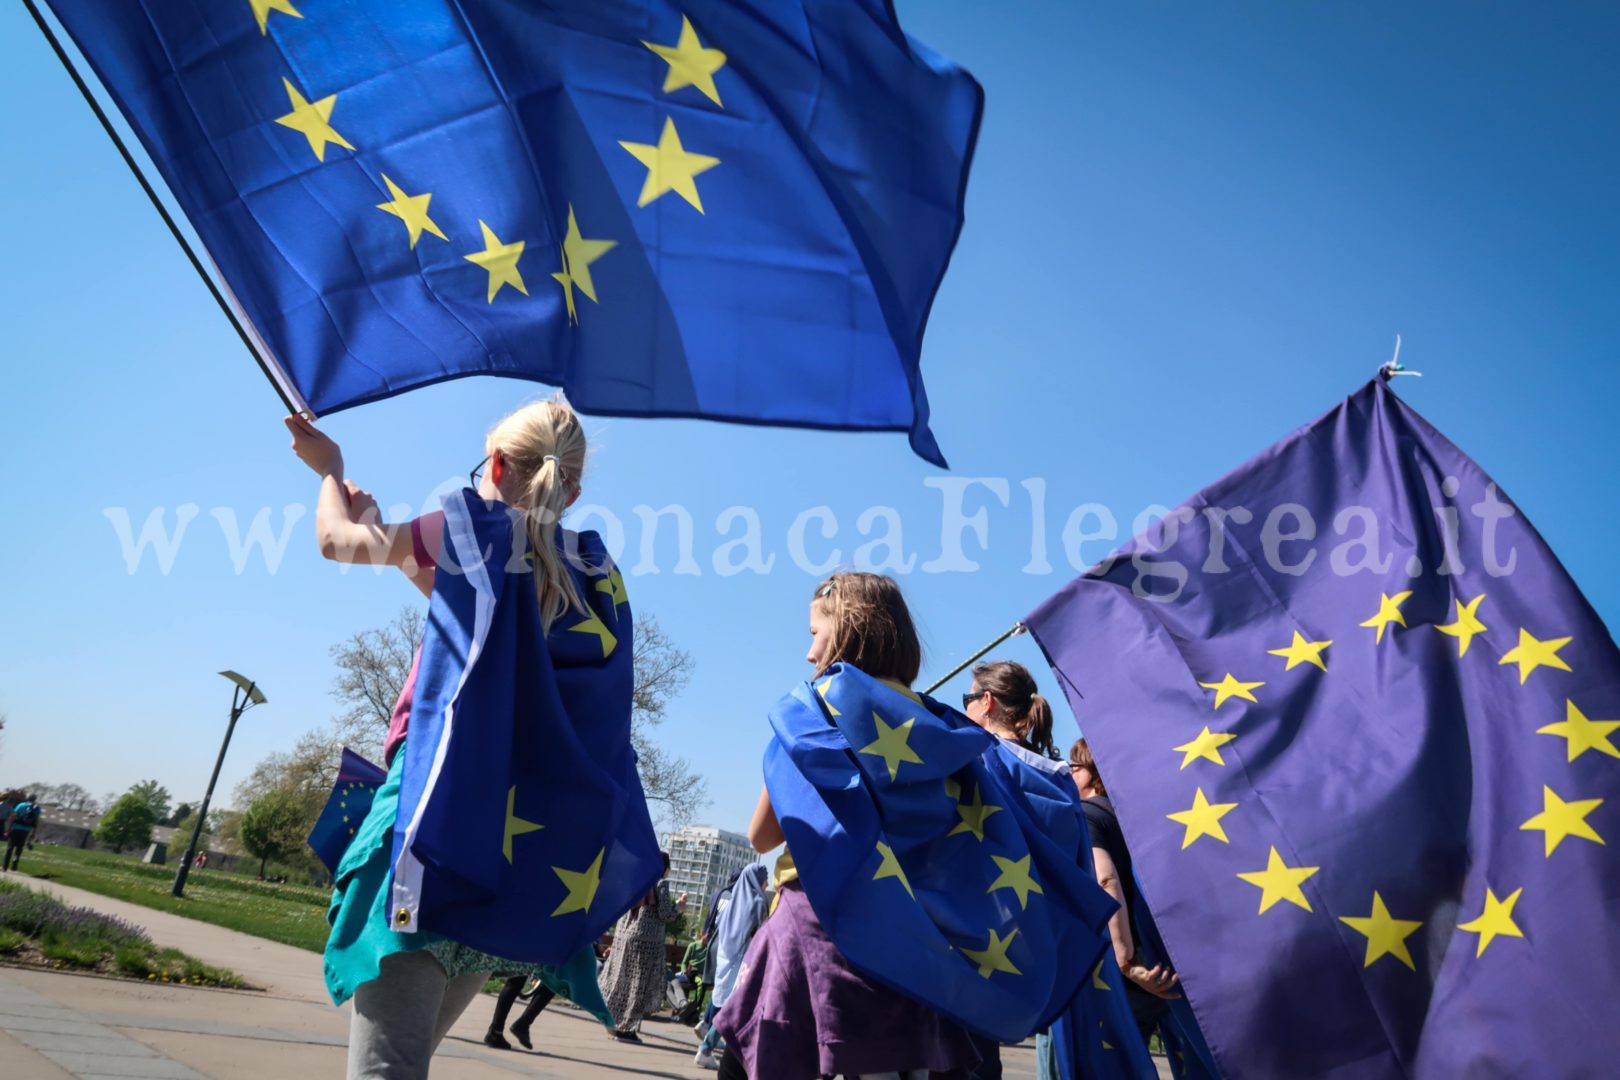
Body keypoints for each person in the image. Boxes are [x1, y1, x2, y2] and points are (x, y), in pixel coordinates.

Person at [287, 397, 627, 1080]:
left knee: (388, 1068)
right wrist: (381, 524)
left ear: (495, 464)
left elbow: (336, 544)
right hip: (512, 850)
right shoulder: (589, 574)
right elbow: (463, 613)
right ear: (575, 489)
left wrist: (330, 471)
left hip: (433, 820)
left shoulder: (466, 532)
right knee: (406, 1058)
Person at [713, 572, 981, 1080]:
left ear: (850, 628)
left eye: (815, 633)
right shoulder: (941, 728)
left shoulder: (813, 713)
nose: (808, 653)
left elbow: (762, 836)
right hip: (912, 938)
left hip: (816, 924)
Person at [958, 661, 1062, 1079]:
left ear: (987, 702)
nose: (963, 708)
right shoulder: (1057, 779)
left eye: (967, 699)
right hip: (1024, 941)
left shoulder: (973, 763)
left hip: (966, 930)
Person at [1070, 738, 1180, 1043]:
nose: (1068, 773)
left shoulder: (1088, 814)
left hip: (1122, 971)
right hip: (1162, 956)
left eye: (1074, 766)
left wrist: (1126, 961)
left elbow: (1106, 880)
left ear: (1092, 774)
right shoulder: (1136, 820)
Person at [598, 852, 687, 1042]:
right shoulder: (661, 883)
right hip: (646, 942)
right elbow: (665, 915)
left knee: (622, 981)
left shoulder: (635, 880)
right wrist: (678, 908)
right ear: (665, 868)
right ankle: (626, 1029)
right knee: (638, 986)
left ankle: (612, 1022)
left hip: (625, 938)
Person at [692, 862, 769, 1069]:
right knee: (734, 1009)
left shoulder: (734, 901)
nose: (767, 883)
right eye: (764, 878)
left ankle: (713, 1046)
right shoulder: (758, 902)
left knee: (730, 1008)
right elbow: (761, 935)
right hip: (745, 962)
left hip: (726, 959)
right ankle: (707, 1047)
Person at [3, 795, 41, 872]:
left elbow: (13, 817)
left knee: (10, 848)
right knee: (19, 848)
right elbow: (36, 821)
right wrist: (33, 832)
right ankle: (14, 865)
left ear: (28, 798)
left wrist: (8, 829)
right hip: (26, 830)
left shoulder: (21, 805)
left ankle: (5, 866)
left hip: (16, 828)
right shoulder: (37, 808)